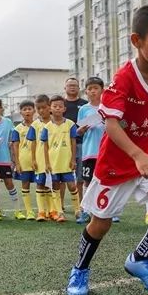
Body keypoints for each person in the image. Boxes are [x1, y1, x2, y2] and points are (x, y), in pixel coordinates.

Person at [66, 4, 148, 295]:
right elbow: (111, 124)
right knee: (100, 223)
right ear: (137, 40)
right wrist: (137, 155)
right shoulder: (123, 78)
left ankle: (139, 259)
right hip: (119, 162)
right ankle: (80, 269)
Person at [42, 95, 80, 223]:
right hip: (53, 164)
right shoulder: (46, 127)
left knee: (72, 186)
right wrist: (46, 163)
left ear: (64, 108)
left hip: (66, 162)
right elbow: (45, 146)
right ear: (50, 109)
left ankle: (77, 210)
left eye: (60, 106)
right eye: (55, 106)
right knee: (55, 186)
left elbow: (73, 142)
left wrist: (73, 159)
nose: (57, 108)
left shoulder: (70, 124)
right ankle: (59, 212)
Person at [76, 77, 105, 225]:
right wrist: (82, 129)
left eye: (96, 88)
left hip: (107, 151)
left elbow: (122, 125)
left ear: (102, 90)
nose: (93, 91)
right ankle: (86, 212)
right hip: (90, 151)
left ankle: (107, 212)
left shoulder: (108, 107)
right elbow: (78, 131)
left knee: (107, 182)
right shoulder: (83, 109)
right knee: (88, 181)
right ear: (86, 91)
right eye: (90, 89)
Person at [62, 78, 87, 209]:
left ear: (79, 88)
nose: (72, 87)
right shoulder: (60, 104)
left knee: (80, 177)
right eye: (70, 85)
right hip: (63, 146)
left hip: (82, 144)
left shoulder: (85, 104)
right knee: (61, 176)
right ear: (64, 88)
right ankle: (59, 205)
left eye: (75, 85)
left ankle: (81, 204)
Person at [11, 100, 38, 221]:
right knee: (25, 184)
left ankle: (44, 211)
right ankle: (29, 211)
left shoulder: (39, 125)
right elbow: (15, 147)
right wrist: (17, 163)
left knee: (42, 185)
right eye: (24, 109)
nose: (27, 111)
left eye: (29, 109)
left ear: (34, 110)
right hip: (24, 161)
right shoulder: (17, 129)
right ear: (20, 112)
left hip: (39, 161)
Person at [29, 94, 53, 221]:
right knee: (40, 184)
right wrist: (33, 159)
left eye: (44, 107)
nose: (41, 111)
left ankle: (52, 211)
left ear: (49, 107)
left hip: (54, 159)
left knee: (51, 184)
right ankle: (41, 212)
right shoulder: (35, 125)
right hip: (40, 159)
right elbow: (33, 143)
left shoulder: (56, 122)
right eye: (38, 108)